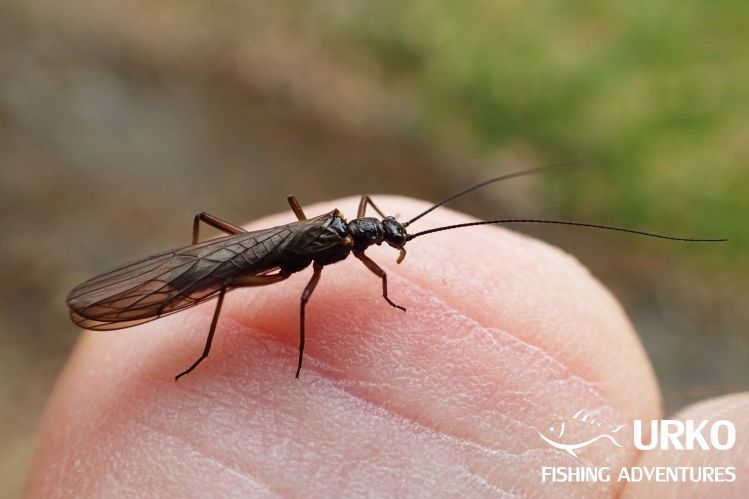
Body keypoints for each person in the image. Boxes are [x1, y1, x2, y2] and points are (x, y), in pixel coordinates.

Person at [25, 197, 748, 497]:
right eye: (390, 238)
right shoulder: (340, 239)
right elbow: (299, 289)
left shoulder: (352, 232)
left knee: (227, 274)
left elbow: (363, 254)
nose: (392, 244)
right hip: (247, 260)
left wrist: (385, 279)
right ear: (373, 237)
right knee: (219, 287)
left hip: (274, 247)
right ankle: (195, 337)